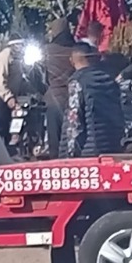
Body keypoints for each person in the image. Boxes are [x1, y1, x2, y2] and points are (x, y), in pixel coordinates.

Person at [64, 45, 129, 157]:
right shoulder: (109, 79)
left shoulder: (77, 82)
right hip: (113, 148)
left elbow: (74, 122)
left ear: (71, 61)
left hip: (87, 152)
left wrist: (69, 155)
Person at [42, 17, 78, 158]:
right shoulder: (76, 49)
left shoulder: (47, 50)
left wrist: (43, 91)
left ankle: (55, 165)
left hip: (53, 98)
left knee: (54, 138)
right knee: (74, 135)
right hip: (74, 98)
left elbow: (37, 76)